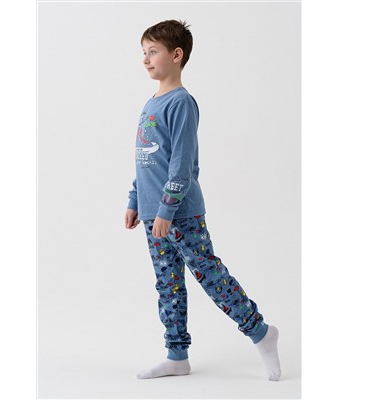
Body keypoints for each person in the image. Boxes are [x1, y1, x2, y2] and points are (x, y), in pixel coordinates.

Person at [124, 19, 281, 381]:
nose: (145, 59)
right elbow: (145, 159)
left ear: (176, 55)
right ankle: (176, 354)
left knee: (210, 275)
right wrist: (135, 199)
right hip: (152, 213)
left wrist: (166, 209)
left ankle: (260, 332)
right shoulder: (150, 103)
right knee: (168, 284)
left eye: (153, 51)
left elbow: (182, 164)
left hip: (178, 213)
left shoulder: (181, 102)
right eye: (143, 52)